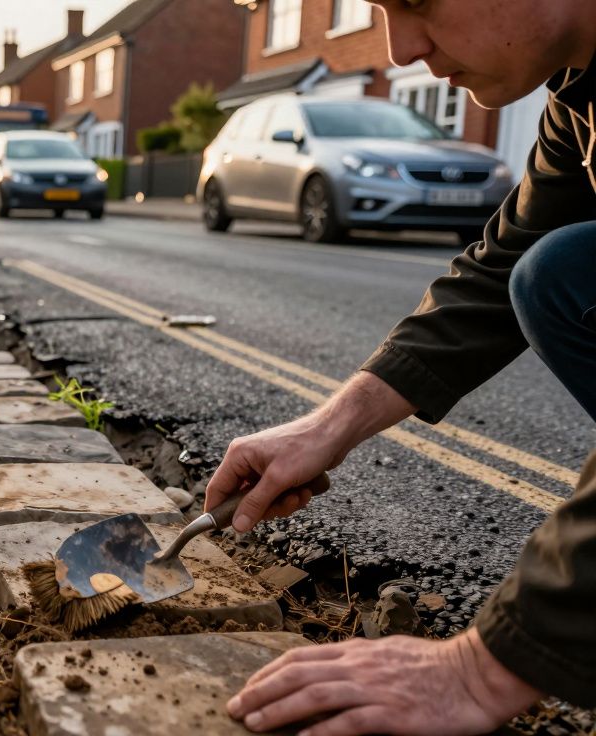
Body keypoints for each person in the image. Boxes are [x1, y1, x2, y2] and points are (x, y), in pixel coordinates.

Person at [205, 1, 596, 734]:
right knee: (555, 272)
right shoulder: (578, 90)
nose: (402, 47)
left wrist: (486, 668)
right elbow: (500, 265)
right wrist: (329, 426)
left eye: (417, 1)